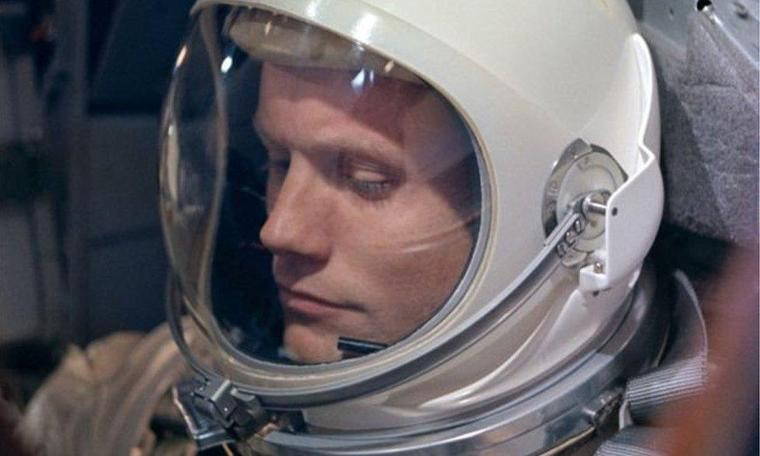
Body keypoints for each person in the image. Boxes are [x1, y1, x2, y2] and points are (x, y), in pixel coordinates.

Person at [158, 2, 686, 454]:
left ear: (586, 210)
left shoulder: (707, 427)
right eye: (277, 161)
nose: (280, 230)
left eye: (365, 180)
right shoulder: (152, 384)